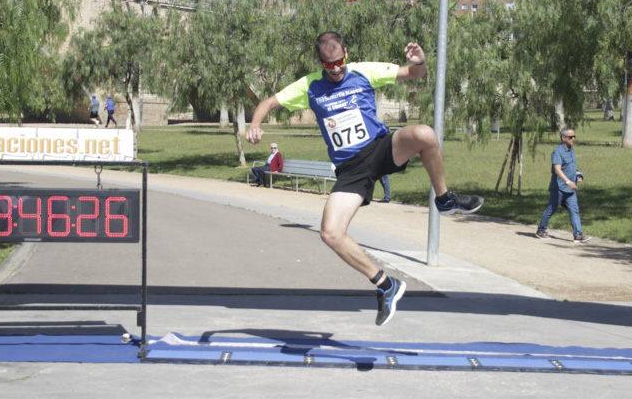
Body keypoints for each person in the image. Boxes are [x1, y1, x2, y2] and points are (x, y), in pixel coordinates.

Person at [246, 31, 483, 326]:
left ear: (347, 52)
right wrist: (255, 124)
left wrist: (420, 60)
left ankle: (444, 199)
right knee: (330, 233)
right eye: (328, 64)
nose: (335, 69)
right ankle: (386, 285)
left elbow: (412, 73)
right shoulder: (309, 86)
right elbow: (268, 102)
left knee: (424, 134)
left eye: (340, 61)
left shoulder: (364, 71)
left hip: (380, 148)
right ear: (319, 61)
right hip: (350, 169)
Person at [536, 128, 591, 243]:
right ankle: (541, 230)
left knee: (574, 210)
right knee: (551, 209)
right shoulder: (558, 152)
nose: (573, 139)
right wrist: (568, 182)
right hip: (559, 187)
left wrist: (577, 175)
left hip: (571, 188)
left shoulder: (571, 150)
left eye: (574, 136)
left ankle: (578, 235)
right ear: (563, 138)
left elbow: (570, 167)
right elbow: (558, 170)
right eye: (571, 137)